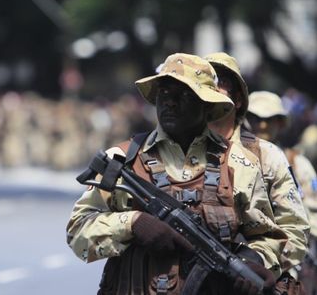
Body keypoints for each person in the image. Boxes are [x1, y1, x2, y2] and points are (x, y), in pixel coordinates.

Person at [66, 53, 284, 295]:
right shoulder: (123, 159)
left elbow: (269, 236)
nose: (169, 102)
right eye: (164, 93)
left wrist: (254, 260)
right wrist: (132, 224)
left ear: (206, 104)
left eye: (184, 95)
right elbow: (78, 231)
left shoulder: (240, 164)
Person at [205, 53, 310, 283]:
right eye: (203, 80)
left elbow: (296, 230)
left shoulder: (268, 155)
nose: (210, 87)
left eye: (220, 81)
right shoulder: (179, 149)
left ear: (239, 99)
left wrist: (258, 263)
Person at [247, 90, 317, 293]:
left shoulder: (297, 163)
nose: (262, 125)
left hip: (289, 265)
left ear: (280, 123)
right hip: (246, 261)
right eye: (256, 118)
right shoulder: (232, 160)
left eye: (269, 119)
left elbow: (313, 216)